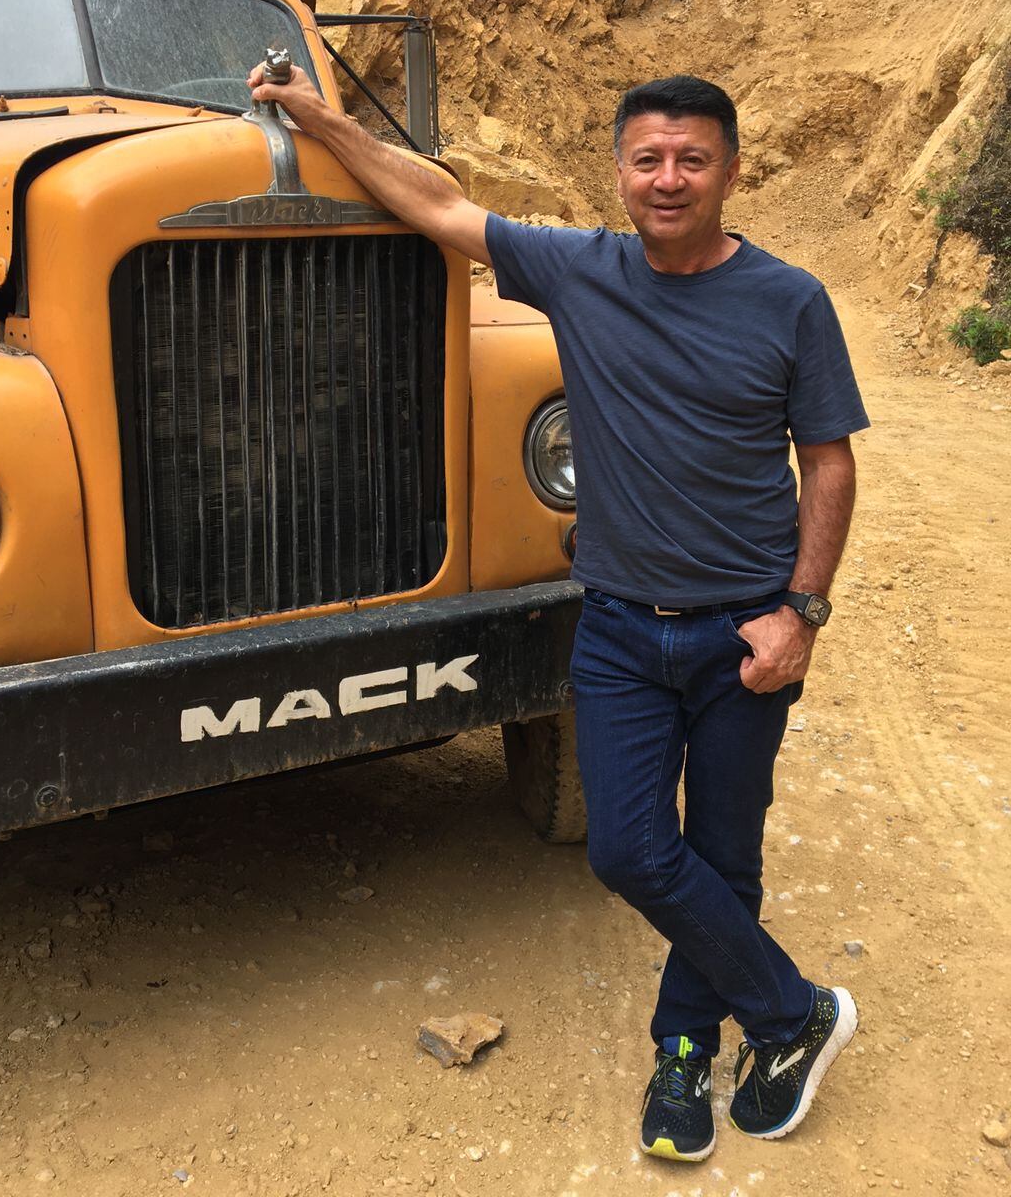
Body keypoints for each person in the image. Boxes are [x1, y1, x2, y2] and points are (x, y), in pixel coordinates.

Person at [248, 63, 868, 1163]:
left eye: (692, 159)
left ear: (731, 172)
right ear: (618, 172)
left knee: (724, 851)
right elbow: (437, 205)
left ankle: (684, 1051)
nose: (668, 178)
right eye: (647, 158)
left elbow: (828, 463)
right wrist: (320, 119)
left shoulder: (790, 301)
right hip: (622, 627)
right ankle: (794, 1013)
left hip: (744, 631)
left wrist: (801, 614)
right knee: (630, 850)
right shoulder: (580, 269)